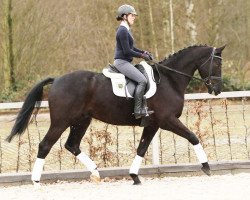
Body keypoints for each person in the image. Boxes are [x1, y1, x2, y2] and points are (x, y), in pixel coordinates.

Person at [114, 4, 154, 119]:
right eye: (132, 15)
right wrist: (142, 56)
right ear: (125, 16)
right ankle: (138, 111)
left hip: (126, 62)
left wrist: (144, 52)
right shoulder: (122, 30)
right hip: (122, 62)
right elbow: (127, 51)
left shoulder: (126, 30)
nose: (134, 17)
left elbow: (132, 48)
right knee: (142, 80)